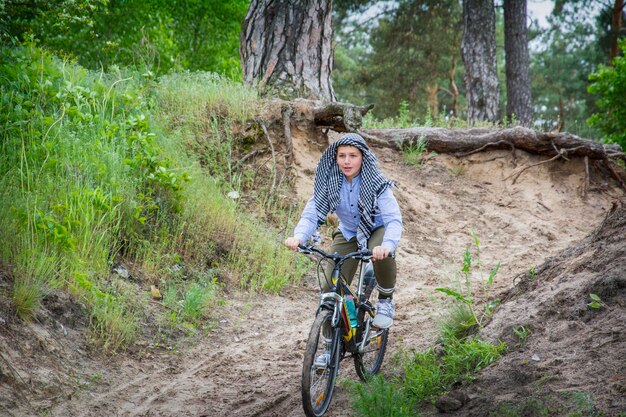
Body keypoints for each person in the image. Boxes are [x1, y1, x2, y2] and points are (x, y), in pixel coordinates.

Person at [285, 132, 402, 330]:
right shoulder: (330, 182)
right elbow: (312, 214)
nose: (347, 161)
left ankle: (385, 300)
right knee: (330, 288)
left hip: (376, 229)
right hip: (348, 232)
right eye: (342, 156)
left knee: (379, 250)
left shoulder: (376, 182)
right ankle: (331, 347)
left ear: (362, 157)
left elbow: (393, 219)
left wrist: (387, 245)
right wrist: (298, 237)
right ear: (335, 157)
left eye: (353, 155)